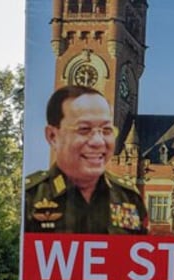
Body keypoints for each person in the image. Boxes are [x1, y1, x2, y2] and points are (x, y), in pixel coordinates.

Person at [24, 85, 148, 234]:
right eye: (84, 129)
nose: (98, 142)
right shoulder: (29, 196)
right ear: (52, 136)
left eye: (106, 130)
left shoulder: (129, 197)